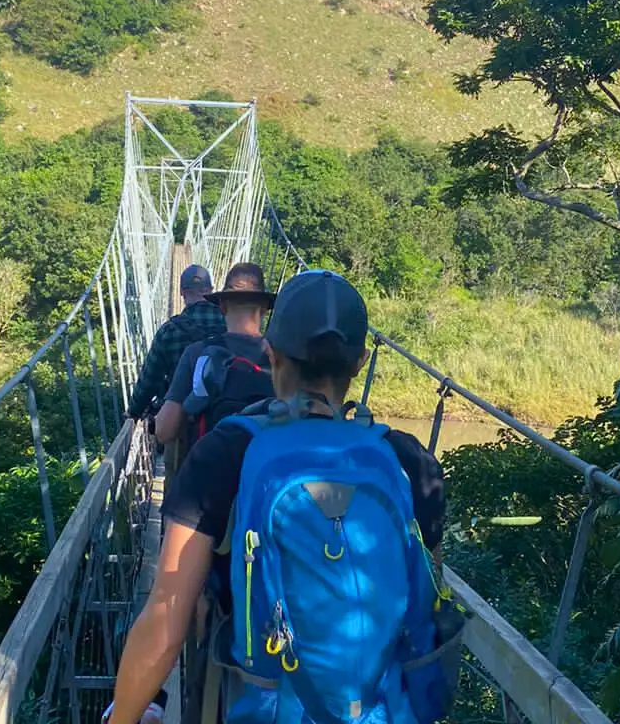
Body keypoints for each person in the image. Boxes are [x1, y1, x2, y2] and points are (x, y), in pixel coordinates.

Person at [106, 270, 457, 724]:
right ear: (360, 362)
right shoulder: (409, 460)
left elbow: (166, 620)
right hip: (382, 709)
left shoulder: (227, 450)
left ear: (270, 352)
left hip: (257, 701)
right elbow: (426, 599)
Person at [154, 262, 276, 449]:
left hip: (210, 463)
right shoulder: (282, 358)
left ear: (222, 306)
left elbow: (164, 431)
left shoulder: (197, 353)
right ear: (265, 308)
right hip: (264, 464)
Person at [126, 265, 227, 423]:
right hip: (224, 419)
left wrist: (133, 412)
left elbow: (149, 381)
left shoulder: (169, 331)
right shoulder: (230, 325)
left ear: (182, 292)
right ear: (211, 290)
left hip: (182, 423)